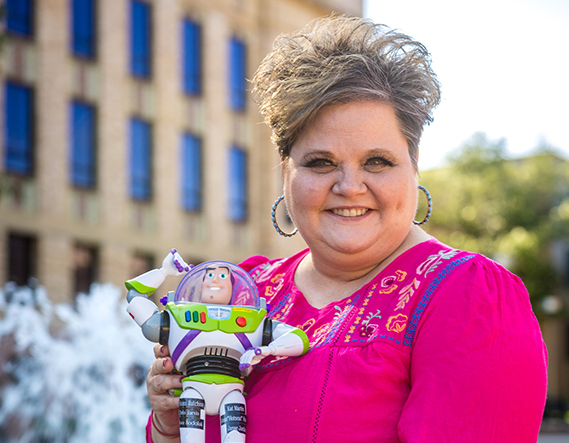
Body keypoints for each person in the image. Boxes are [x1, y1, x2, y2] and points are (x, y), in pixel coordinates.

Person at [146, 15, 548, 443]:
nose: (350, 187)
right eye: (321, 162)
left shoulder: (470, 299)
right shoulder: (250, 288)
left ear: (414, 167)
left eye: (377, 161)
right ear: (286, 172)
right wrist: (168, 424)